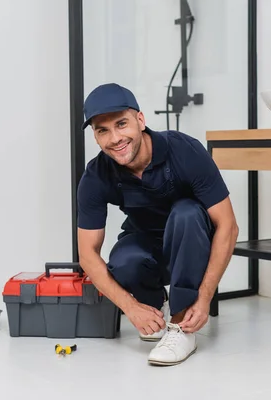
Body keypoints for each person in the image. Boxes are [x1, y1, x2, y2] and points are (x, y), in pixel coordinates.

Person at [76, 83, 239, 366]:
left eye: (121, 124)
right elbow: (87, 254)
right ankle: (155, 306)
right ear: (95, 136)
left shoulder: (184, 150)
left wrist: (203, 299)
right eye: (103, 130)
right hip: (148, 241)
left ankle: (181, 326)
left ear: (140, 120)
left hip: (192, 241)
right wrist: (131, 306)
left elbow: (228, 226)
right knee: (124, 260)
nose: (115, 138)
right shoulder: (96, 175)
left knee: (186, 212)